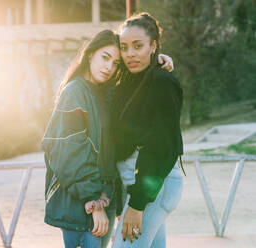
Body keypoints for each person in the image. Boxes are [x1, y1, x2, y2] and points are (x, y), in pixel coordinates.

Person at [42, 29, 173, 248]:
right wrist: (94, 204)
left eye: (115, 64)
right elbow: (69, 152)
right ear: (91, 54)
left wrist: (158, 63)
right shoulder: (75, 92)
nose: (109, 68)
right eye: (105, 58)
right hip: (82, 204)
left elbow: (137, 91)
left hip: (104, 197)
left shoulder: (102, 93)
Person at [111, 12, 184, 248]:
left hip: (151, 188)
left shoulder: (161, 82)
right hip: (142, 187)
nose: (130, 53)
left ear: (153, 46)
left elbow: (161, 145)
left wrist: (137, 203)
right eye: (124, 47)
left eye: (138, 46)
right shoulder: (129, 81)